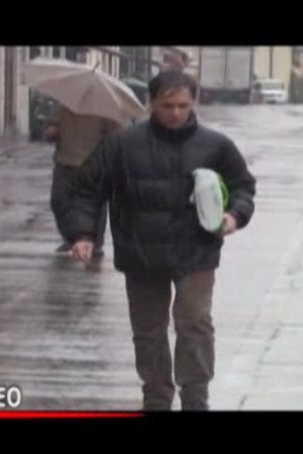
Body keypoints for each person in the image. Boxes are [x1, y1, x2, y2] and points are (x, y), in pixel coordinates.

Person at [62, 70, 257, 410]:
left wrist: (234, 215)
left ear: (193, 102)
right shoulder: (123, 144)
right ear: (152, 103)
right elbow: (87, 189)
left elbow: (243, 186)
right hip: (140, 254)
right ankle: (156, 397)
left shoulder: (216, 145)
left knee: (194, 323)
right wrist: (83, 234)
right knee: (149, 332)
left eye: (183, 105)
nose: (176, 113)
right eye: (168, 105)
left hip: (196, 251)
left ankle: (196, 397)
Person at [43, 105, 120, 255]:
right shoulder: (63, 107)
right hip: (65, 161)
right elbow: (48, 131)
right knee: (59, 201)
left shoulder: (104, 109)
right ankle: (70, 238)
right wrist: (52, 131)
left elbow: (117, 132)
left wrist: (107, 138)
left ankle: (96, 243)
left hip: (94, 162)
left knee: (96, 203)